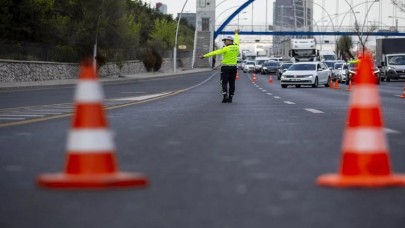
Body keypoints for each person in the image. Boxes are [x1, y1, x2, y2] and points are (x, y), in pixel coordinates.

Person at [201, 29, 240, 103]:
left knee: (223, 82)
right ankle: (231, 97)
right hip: (234, 68)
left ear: (229, 41)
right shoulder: (237, 47)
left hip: (225, 67)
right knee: (232, 83)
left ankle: (225, 96)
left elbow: (215, 52)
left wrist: (205, 56)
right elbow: (237, 40)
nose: (224, 42)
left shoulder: (225, 48)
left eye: (225, 40)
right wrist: (236, 33)